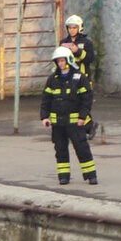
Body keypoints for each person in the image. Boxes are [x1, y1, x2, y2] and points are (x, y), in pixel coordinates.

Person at [41, 46, 97, 185]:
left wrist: (82, 117)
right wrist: (45, 117)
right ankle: (63, 176)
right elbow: (46, 100)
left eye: (62, 61)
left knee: (82, 148)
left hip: (75, 123)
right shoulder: (52, 79)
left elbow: (87, 99)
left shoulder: (79, 78)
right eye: (58, 61)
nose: (60, 64)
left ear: (69, 60)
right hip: (58, 123)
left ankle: (91, 175)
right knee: (60, 149)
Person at [61, 14, 95, 78]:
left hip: (83, 76)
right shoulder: (63, 42)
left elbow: (91, 59)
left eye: (74, 28)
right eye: (69, 28)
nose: (71, 30)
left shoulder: (87, 42)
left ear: (79, 28)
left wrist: (78, 51)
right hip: (67, 76)